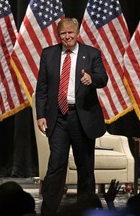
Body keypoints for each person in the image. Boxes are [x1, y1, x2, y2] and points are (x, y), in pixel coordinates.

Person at [35, 17, 108, 216]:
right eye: (63, 34)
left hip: (81, 118)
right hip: (57, 118)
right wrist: (41, 115)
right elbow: (41, 88)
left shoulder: (91, 53)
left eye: (70, 33)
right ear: (58, 36)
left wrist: (91, 78)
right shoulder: (48, 54)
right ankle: (49, 211)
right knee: (56, 166)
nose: (67, 37)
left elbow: (103, 78)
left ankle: (86, 211)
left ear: (77, 33)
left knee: (85, 167)